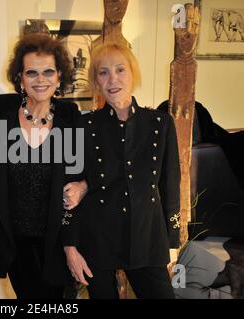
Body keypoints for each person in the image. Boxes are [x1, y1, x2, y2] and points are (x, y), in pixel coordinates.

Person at [62, 43, 181, 299]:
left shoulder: (160, 122)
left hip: (146, 238)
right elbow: (68, 193)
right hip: (97, 240)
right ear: (95, 80)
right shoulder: (83, 126)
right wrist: (70, 247)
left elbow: (170, 184)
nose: (112, 79)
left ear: (132, 73)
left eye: (120, 70)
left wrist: (173, 240)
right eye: (103, 72)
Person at [0, 33, 87, 298]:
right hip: (15, 245)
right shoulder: (0, 110)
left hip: (56, 241)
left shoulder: (70, 116)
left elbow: (82, 175)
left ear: (59, 76)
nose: (40, 80)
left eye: (48, 72)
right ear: (20, 78)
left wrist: (84, 185)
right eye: (32, 73)